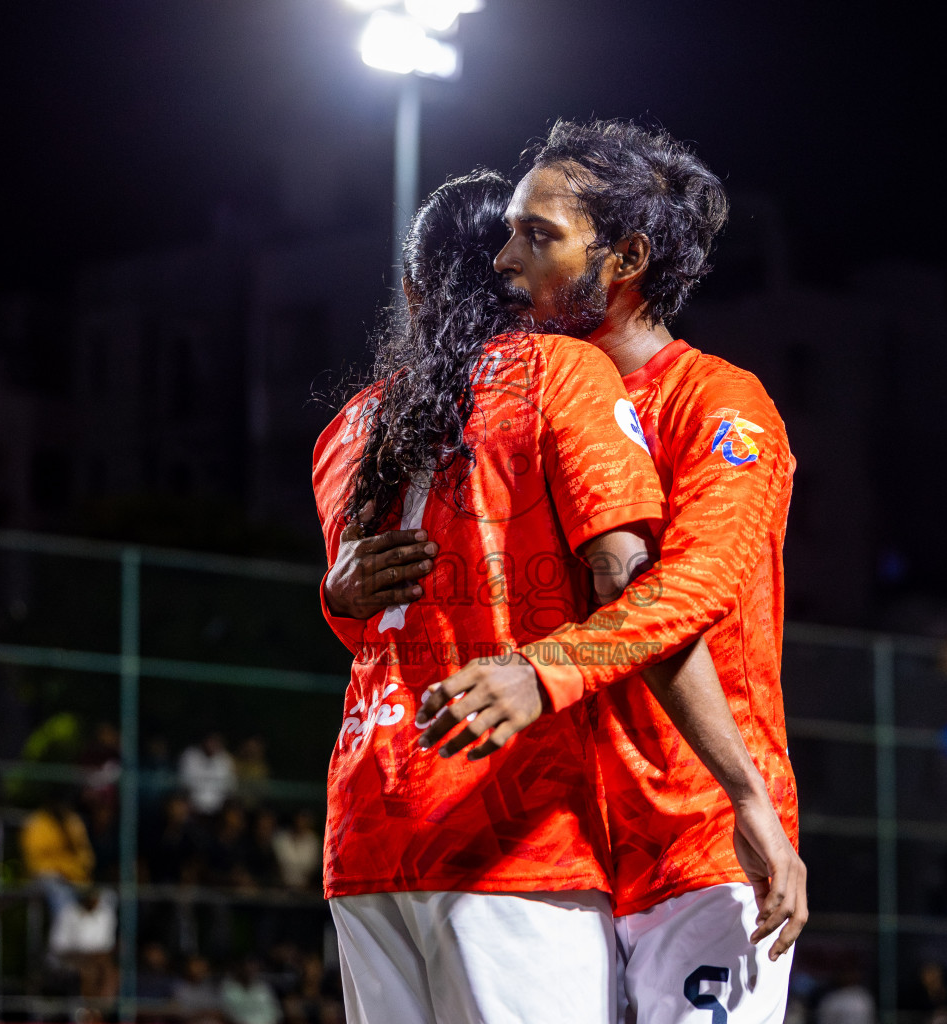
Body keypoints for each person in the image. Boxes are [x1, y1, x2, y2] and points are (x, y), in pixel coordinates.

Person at [349, 119, 807, 1022]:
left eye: (538, 236)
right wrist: (339, 589)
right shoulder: (522, 397)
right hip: (560, 842)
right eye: (510, 229)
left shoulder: (722, 406)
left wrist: (538, 672)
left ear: (626, 256)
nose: (502, 260)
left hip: (697, 833)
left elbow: (685, 594)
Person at [313, 169, 668, 1022]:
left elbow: (362, 617)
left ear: (412, 290)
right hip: (513, 819)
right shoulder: (563, 371)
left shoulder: (349, 429)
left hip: (369, 815)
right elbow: (626, 576)